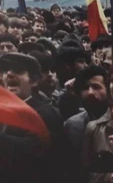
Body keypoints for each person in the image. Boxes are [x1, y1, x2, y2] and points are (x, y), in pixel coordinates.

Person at [0, 52, 69, 182]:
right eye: (5, 71)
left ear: (34, 81)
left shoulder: (46, 114)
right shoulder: (2, 112)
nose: (9, 74)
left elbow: (35, 151)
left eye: (18, 70)